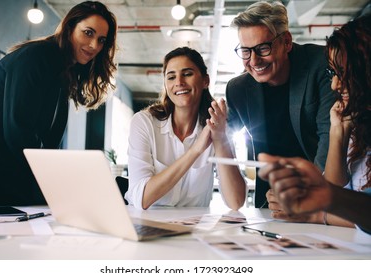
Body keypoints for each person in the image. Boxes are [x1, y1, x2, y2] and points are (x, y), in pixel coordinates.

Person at [0, 1, 118, 206]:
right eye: (88, 33)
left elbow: (48, 139)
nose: (94, 46)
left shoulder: (62, 71)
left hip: (3, 175)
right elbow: (18, 131)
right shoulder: (38, 57)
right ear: (70, 27)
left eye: (101, 40)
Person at [258, 13, 371, 234]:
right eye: (333, 73)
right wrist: (338, 132)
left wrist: (317, 211)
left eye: (344, 73)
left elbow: (340, 202)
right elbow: (342, 198)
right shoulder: (358, 124)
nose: (335, 85)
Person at [225, 1, 335, 208]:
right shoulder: (237, 89)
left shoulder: (321, 64)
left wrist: (309, 195)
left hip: (321, 192)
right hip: (270, 200)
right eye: (246, 51)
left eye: (263, 48)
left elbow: (329, 138)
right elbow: (222, 139)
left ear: (286, 41)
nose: (254, 61)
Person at [125, 47, 246, 210]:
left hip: (193, 229)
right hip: (147, 223)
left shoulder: (217, 126)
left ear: (205, 81)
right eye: (171, 77)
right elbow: (142, 198)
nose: (179, 82)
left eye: (187, 74)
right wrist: (195, 151)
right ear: (166, 85)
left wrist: (220, 138)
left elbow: (236, 202)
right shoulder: (144, 122)